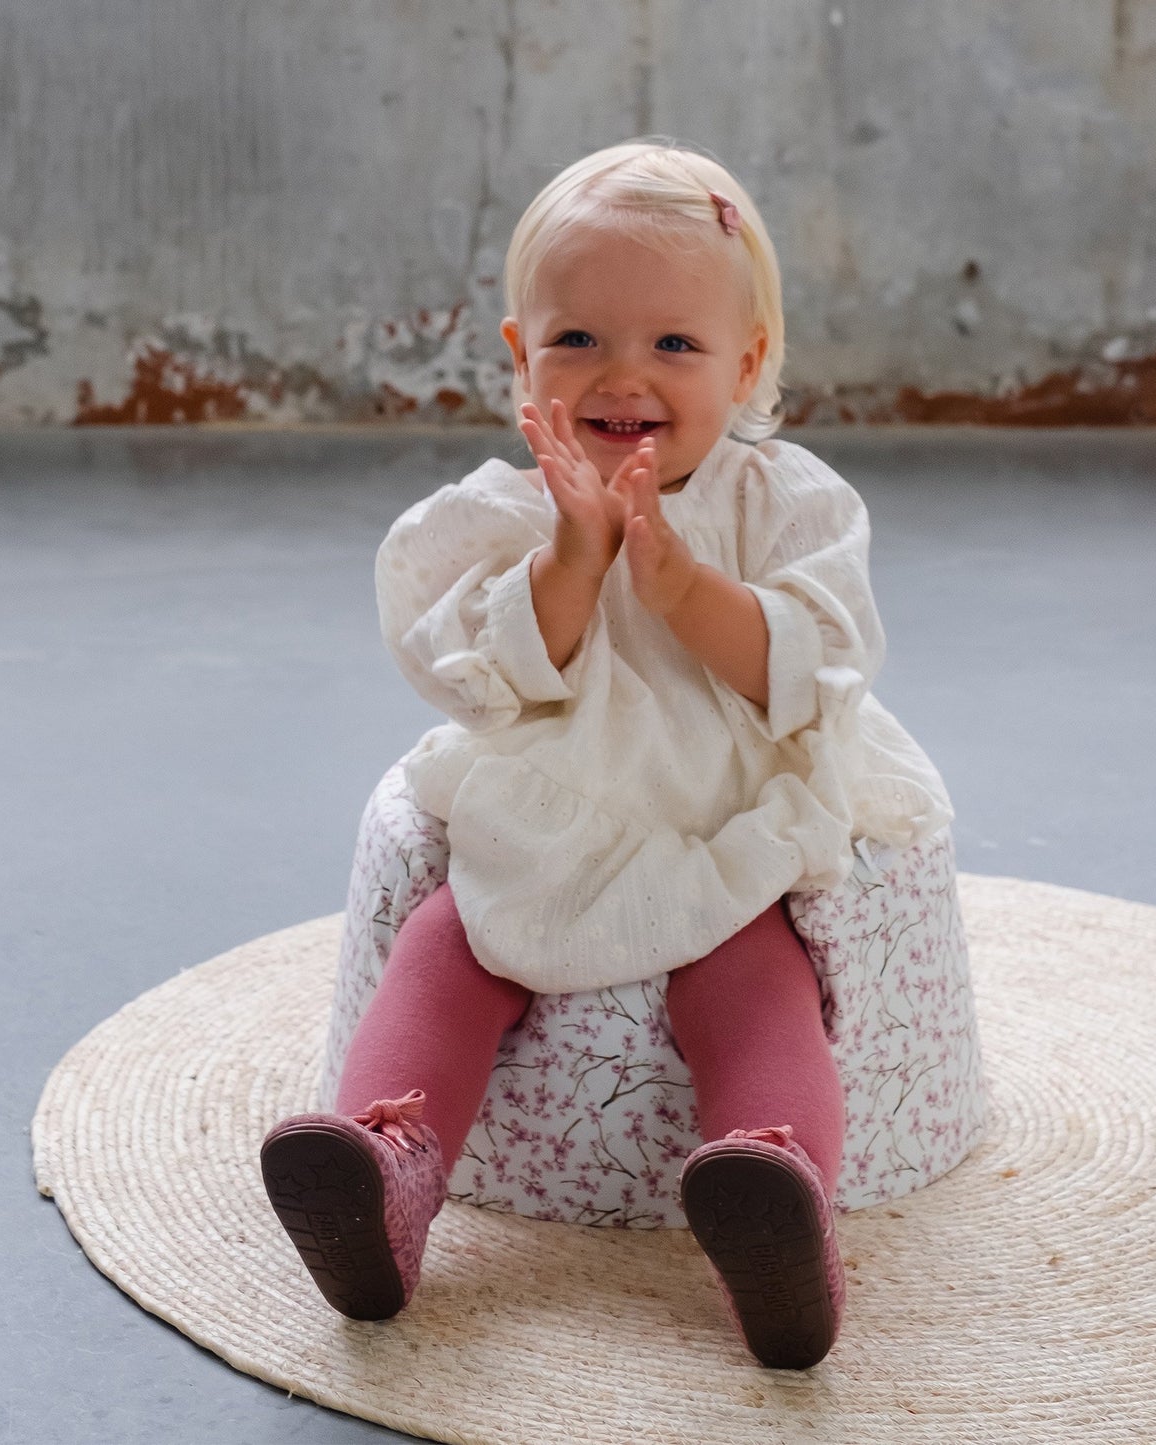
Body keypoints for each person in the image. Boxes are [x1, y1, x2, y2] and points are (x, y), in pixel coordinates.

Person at [259, 138, 953, 1370]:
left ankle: (773, 1191)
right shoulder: (507, 513)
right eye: (578, 340)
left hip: (723, 803)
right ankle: (383, 1162)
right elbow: (476, 669)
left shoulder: (782, 503)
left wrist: (683, 585)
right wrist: (569, 562)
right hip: (557, 796)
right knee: (451, 940)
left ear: (744, 365)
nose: (622, 375)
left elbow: (816, 662)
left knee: (751, 973)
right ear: (522, 355)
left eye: (673, 345)